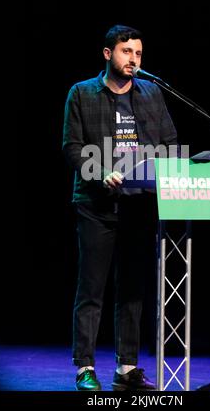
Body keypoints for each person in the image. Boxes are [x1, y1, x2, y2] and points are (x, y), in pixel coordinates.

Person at [62, 24, 177, 391]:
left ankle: (127, 368)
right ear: (108, 54)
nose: (134, 59)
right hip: (96, 206)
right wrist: (101, 173)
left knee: (132, 290)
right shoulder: (81, 93)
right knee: (91, 289)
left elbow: (170, 141)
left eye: (139, 53)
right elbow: (72, 147)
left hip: (139, 206)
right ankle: (85, 368)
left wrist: (160, 169)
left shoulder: (151, 93)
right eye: (127, 51)